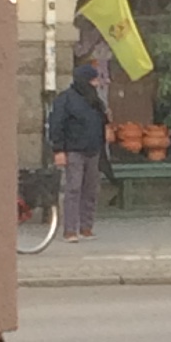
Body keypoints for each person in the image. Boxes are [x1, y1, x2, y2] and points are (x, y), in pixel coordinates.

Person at [46, 57, 111, 240]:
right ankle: (70, 229)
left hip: (93, 150)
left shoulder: (95, 101)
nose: (96, 84)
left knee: (91, 189)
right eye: (93, 80)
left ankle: (86, 226)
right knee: (73, 189)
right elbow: (56, 124)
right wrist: (58, 150)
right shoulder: (65, 99)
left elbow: (101, 121)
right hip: (73, 150)